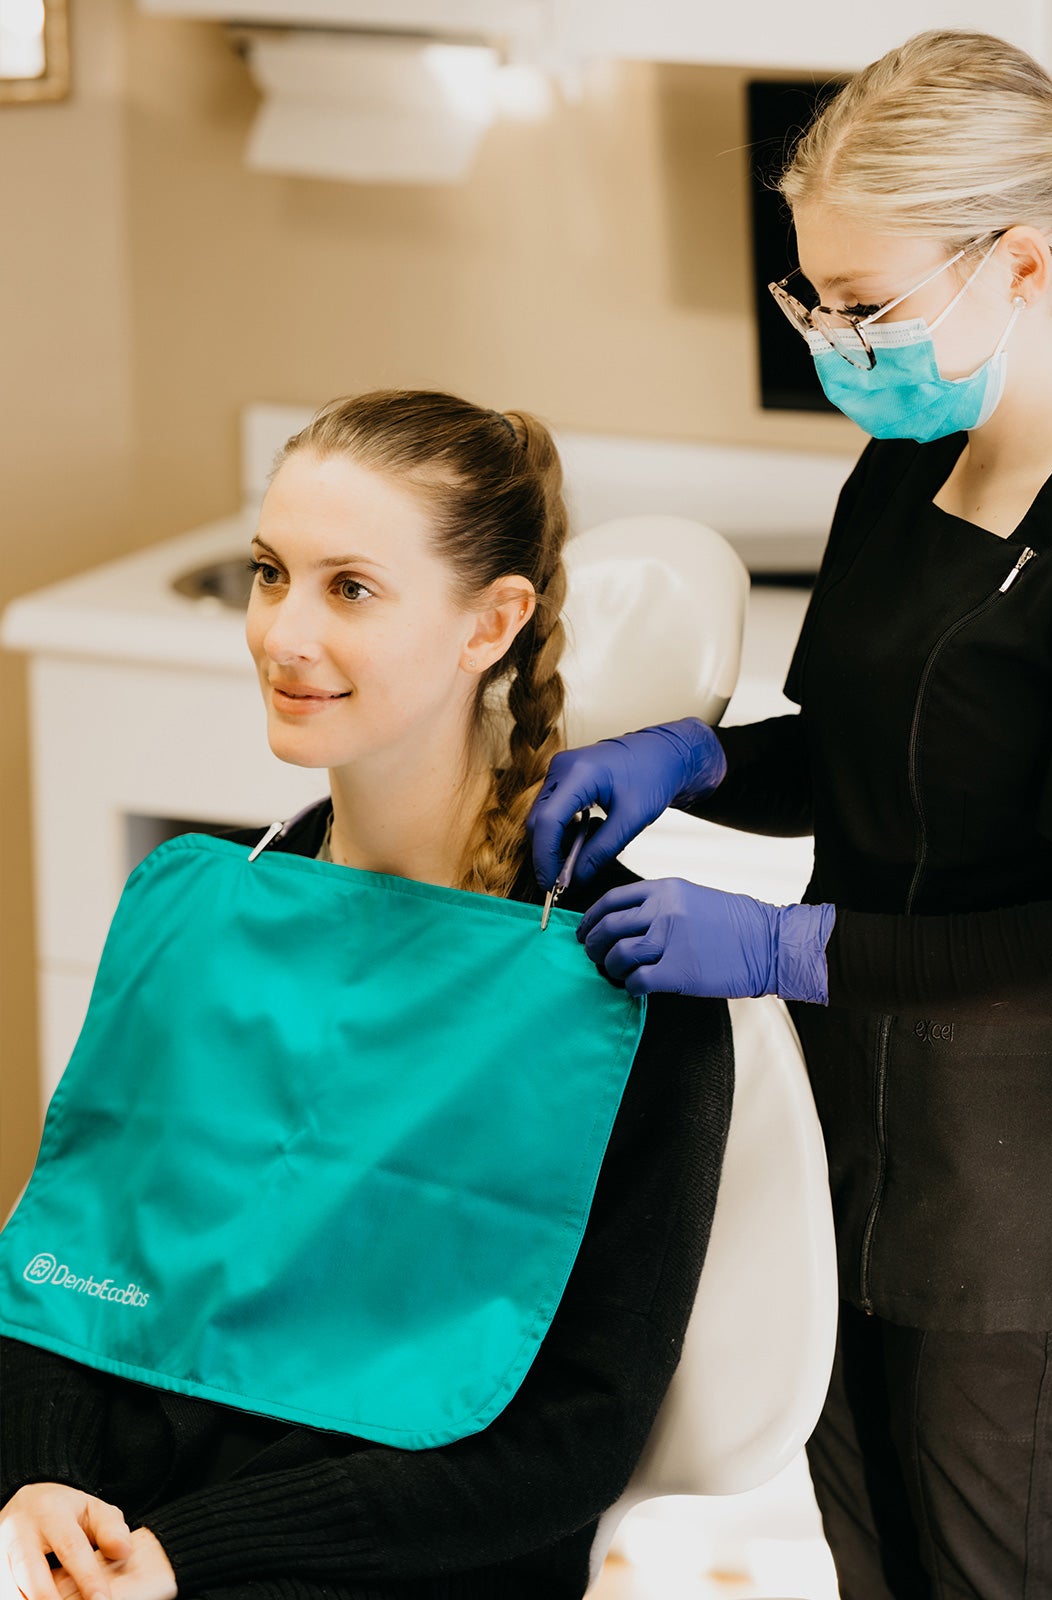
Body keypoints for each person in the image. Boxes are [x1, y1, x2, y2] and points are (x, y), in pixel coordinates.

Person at [527, 29, 1052, 1599]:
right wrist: (706, 761)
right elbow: (873, 746)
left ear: (1019, 264)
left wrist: (777, 946)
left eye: (865, 306)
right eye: (810, 297)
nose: (834, 339)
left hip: (1025, 1232)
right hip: (847, 1167)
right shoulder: (911, 460)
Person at [0, 390, 734, 1600]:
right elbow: (67, 1267)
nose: (284, 633)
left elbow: (566, 1442)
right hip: (113, 1528)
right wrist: (41, 1481)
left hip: (401, 1554)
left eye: (349, 588)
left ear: (491, 622)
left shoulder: (620, 982)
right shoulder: (205, 912)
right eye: (270, 573)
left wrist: (191, 1559)